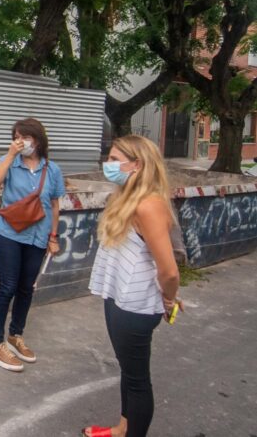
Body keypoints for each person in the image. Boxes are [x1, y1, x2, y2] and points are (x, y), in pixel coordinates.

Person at [83, 135, 182, 437]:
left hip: (136, 304)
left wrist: (170, 299)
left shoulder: (149, 205)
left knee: (137, 379)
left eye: (115, 159)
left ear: (137, 164)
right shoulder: (126, 197)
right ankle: (122, 428)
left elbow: (169, 270)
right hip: (118, 296)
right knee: (128, 371)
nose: (108, 164)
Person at [0, 118, 65, 372]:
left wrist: (53, 237)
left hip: (38, 237)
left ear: (38, 140)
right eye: (17, 136)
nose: (21, 141)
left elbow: (54, 205)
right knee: (7, 287)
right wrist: (9, 155)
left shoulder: (51, 170)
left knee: (26, 288)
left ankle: (15, 335)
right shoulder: (9, 162)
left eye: (26, 137)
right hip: (9, 234)